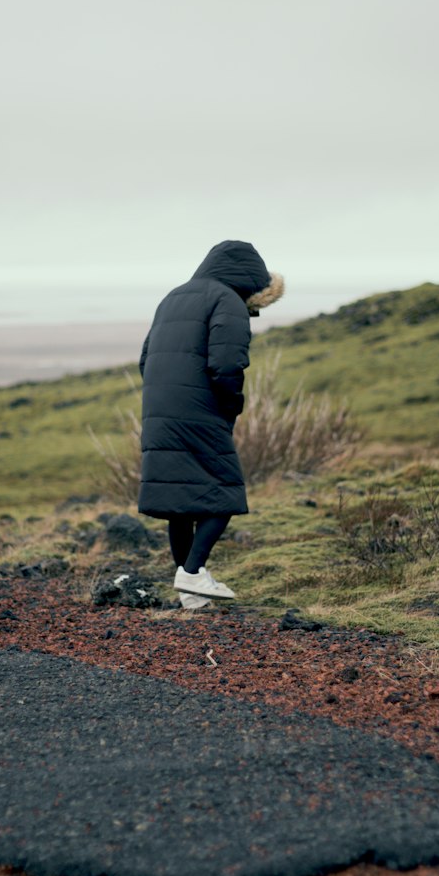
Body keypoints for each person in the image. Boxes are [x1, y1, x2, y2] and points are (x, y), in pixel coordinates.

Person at [137, 240, 284, 609]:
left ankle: (190, 593)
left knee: (179, 500)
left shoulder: (173, 297)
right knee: (224, 493)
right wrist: (231, 405)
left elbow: (145, 358)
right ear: (251, 278)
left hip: (161, 410)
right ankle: (191, 573)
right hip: (200, 410)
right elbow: (227, 364)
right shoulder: (227, 302)